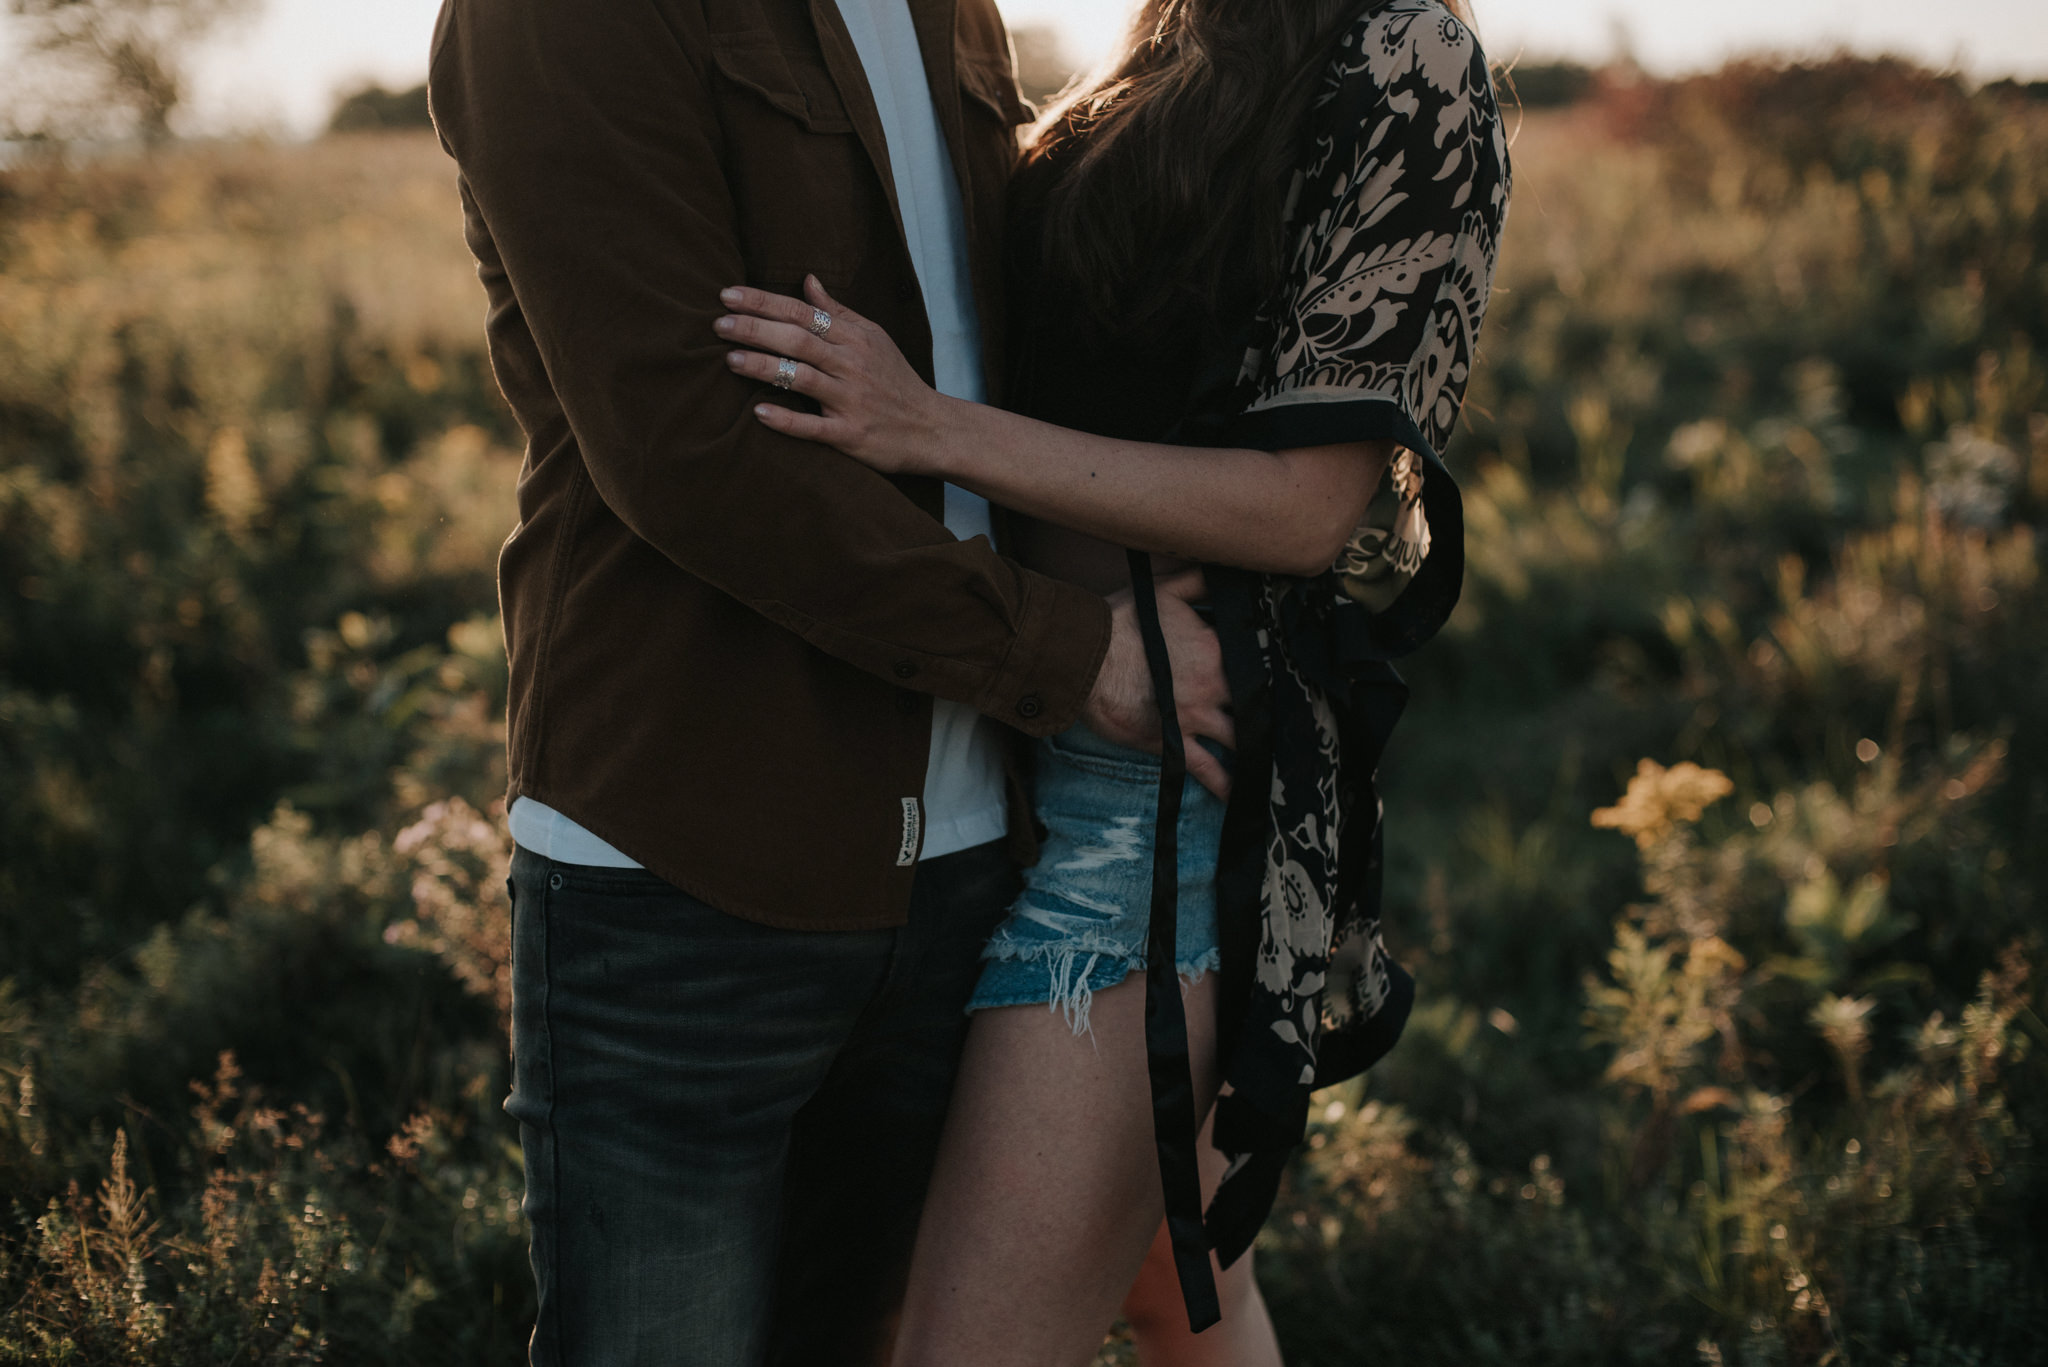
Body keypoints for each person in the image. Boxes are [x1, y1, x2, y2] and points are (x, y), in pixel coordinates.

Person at [425, 0, 1233, 1362]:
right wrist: (1075, 653)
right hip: (690, 866)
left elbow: (993, 348)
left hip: (975, 853)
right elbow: (691, 449)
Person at [713, 0, 1511, 1360]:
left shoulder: (1410, 57)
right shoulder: (1170, 33)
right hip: (1009, 744)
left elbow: (1316, 509)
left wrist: (931, 429)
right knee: (1171, 1281)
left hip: (1151, 808)